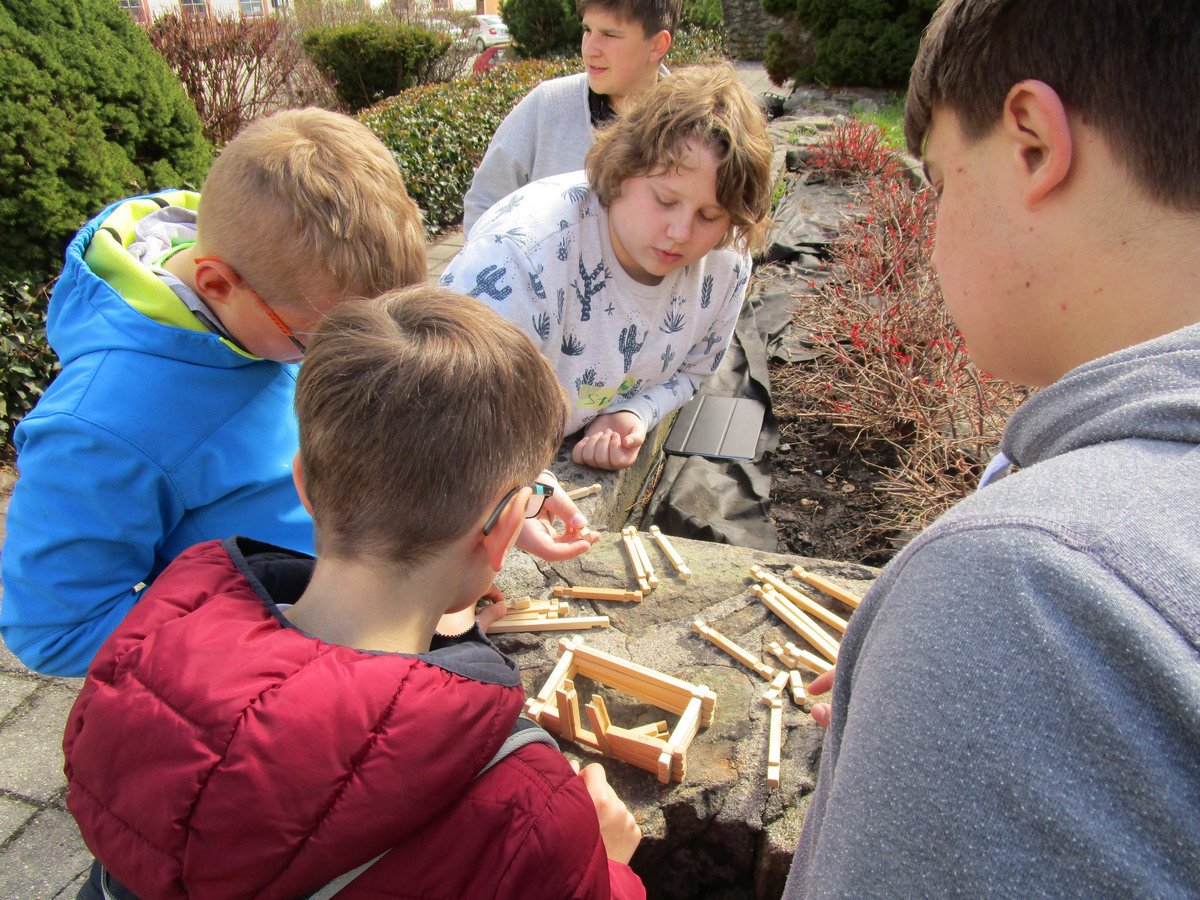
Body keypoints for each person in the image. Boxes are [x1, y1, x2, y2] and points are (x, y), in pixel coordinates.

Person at [784, 0, 1200, 895]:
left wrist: (945, 649)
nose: (932, 237)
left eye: (939, 184)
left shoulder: (1028, 590)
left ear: (1033, 144)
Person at [63, 286, 646, 900]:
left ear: (303, 484)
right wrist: (604, 863)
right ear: (505, 531)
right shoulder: (528, 803)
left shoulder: (146, 645)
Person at [1, 108, 593, 678]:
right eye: (314, 341)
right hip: (276, 673)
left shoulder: (274, 282)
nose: (331, 358)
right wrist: (287, 630)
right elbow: (56, 628)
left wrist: (493, 501)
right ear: (216, 283)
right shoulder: (100, 426)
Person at [442, 64, 772, 471]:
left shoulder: (728, 262)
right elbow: (445, 421)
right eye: (665, 201)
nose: (680, 233)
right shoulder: (516, 261)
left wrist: (637, 411)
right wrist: (521, 488)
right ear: (621, 168)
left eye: (710, 216)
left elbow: (694, 370)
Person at [461, 0, 680, 235]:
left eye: (609, 34)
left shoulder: (691, 130)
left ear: (658, 45)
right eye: (587, 29)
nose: (590, 49)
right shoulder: (547, 106)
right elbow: (483, 205)